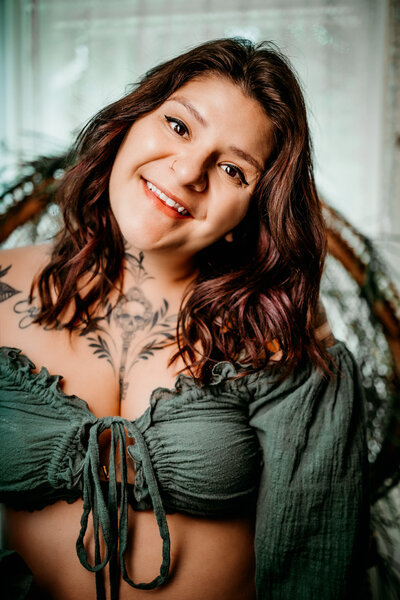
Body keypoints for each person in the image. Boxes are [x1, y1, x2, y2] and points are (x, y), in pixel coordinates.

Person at [0, 38, 369, 599]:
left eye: (232, 169)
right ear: (128, 124)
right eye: (179, 126)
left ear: (250, 212)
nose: (188, 171)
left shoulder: (277, 330)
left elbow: (314, 564)